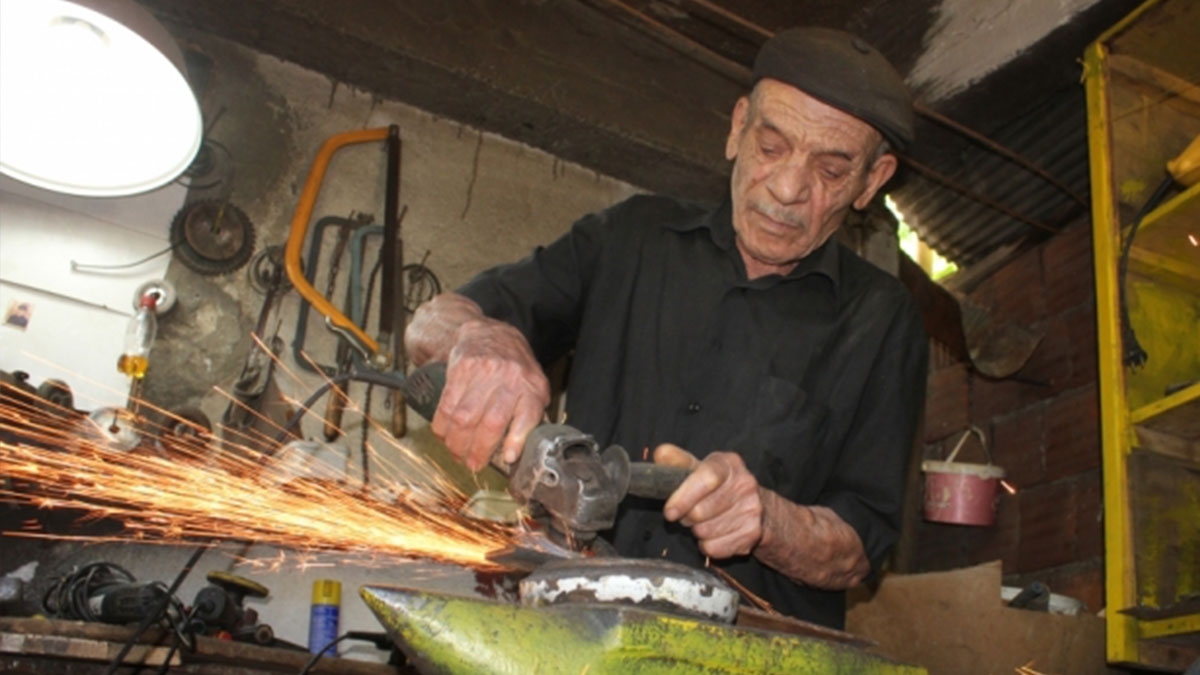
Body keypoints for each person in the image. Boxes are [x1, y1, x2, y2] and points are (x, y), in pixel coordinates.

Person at [405, 27, 928, 629]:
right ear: (737, 128)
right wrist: (481, 339)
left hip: (750, 654)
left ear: (872, 180)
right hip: (570, 626)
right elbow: (432, 324)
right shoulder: (632, 236)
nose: (787, 189)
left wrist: (765, 518)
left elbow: (861, 549)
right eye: (771, 146)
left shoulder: (883, 319)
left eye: (832, 172)